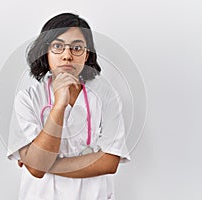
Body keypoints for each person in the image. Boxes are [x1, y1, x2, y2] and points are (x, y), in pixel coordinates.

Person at [7, 12, 130, 200]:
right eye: (57, 46)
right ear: (45, 52)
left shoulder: (106, 97)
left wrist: (42, 163)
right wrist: (59, 104)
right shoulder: (27, 99)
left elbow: (109, 162)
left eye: (77, 48)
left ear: (86, 54)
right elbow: (36, 168)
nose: (67, 56)